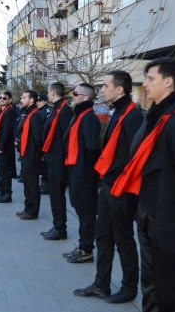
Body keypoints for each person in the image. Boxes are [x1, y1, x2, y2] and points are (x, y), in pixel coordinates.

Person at [112, 58, 175, 311]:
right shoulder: (153, 119)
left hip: (168, 217)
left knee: (171, 288)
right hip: (148, 211)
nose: (146, 83)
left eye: (151, 78)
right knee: (150, 283)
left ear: (169, 81)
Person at [75, 70, 143, 303]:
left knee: (123, 238)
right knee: (103, 236)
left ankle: (128, 287)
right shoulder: (118, 112)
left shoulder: (133, 116)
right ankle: (101, 284)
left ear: (120, 89)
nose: (102, 89)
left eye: (105, 85)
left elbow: (135, 157)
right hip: (108, 185)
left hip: (122, 188)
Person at [62, 83, 101, 264]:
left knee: (86, 211)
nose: (73, 96)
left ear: (85, 97)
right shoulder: (80, 115)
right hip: (76, 168)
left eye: (76, 94)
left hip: (84, 172)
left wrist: (86, 170)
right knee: (80, 208)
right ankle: (82, 245)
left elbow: (92, 147)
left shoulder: (89, 117)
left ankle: (86, 249)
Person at [41, 82, 74, 241]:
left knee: (58, 195)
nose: (47, 95)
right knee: (54, 195)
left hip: (59, 160)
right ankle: (57, 225)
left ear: (53, 92)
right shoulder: (58, 108)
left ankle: (61, 228)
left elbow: (65, 137)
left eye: (48, 92)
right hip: (52, 158)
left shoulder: (64, 110)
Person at [15, 90, 45, 220]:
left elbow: (39, 138)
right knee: (27, 182)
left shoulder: (35, 115)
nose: (21, 99)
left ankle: (32, 211)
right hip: (26, 153)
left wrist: (37, 156)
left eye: (24, 97)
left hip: (32, 155)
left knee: (32, 183)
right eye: (21, 97)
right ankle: (27, 208)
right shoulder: (28, 113)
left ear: (32, 100)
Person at [0, 91, 18, 203]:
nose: (1, 100)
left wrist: (0, 147)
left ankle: (7, 194)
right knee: (0, 171)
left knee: (5, 172)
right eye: (0, 98)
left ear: (10, 99)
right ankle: (1, 192)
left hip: (5, 148)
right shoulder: (2, 110)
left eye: (4, 98)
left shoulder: (9, 112)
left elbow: (7, 132)